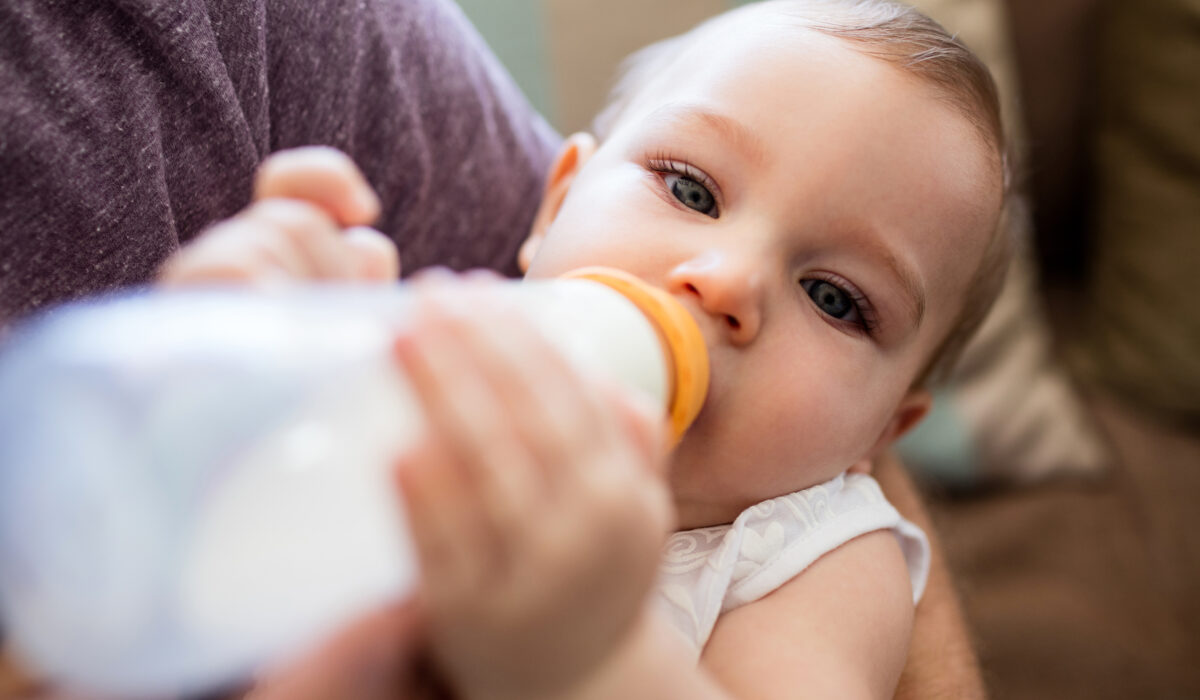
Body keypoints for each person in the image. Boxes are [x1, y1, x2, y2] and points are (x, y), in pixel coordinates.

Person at [157, 1, 1009, 698]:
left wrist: (593, 663)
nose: (726, 281)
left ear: (876, 438)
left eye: (835, 298)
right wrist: (251, 374)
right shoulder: (450, 358)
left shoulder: (815, 560)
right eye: (690, 188)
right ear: (553, 207)